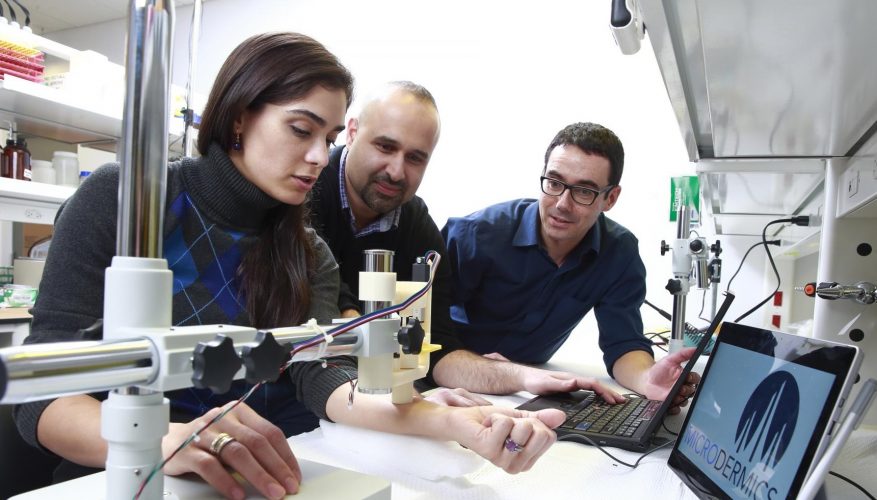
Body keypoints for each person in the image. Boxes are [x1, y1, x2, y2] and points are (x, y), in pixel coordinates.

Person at [12, 33, 563, 500]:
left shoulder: (307, 249)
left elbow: (320, 375)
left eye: (328, 139)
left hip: (258, 475)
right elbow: (41, 397)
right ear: (239, 115)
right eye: (302, 130)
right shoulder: (127, 201)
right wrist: (163, 438)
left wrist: (455, 423)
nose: (320, 157)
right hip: (123, 476)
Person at [310, 83, 625, 406]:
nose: (396, 171)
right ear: (351, 132)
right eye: (385, 146)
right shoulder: (303, 196)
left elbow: (437, 348)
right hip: (307, 394)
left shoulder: (416, 226)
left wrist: (525, 378)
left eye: (415, 158)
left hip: (355, 401)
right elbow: (325, 316)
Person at [438, 122, 700, 410]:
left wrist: (647, 379)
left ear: (610, 198)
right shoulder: (476, 235)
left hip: (525, 391)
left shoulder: (618, 252)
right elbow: (423, 336)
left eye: (584, 191)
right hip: (449, 380)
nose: (562, 203)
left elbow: (623, 343)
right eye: (554, 183)